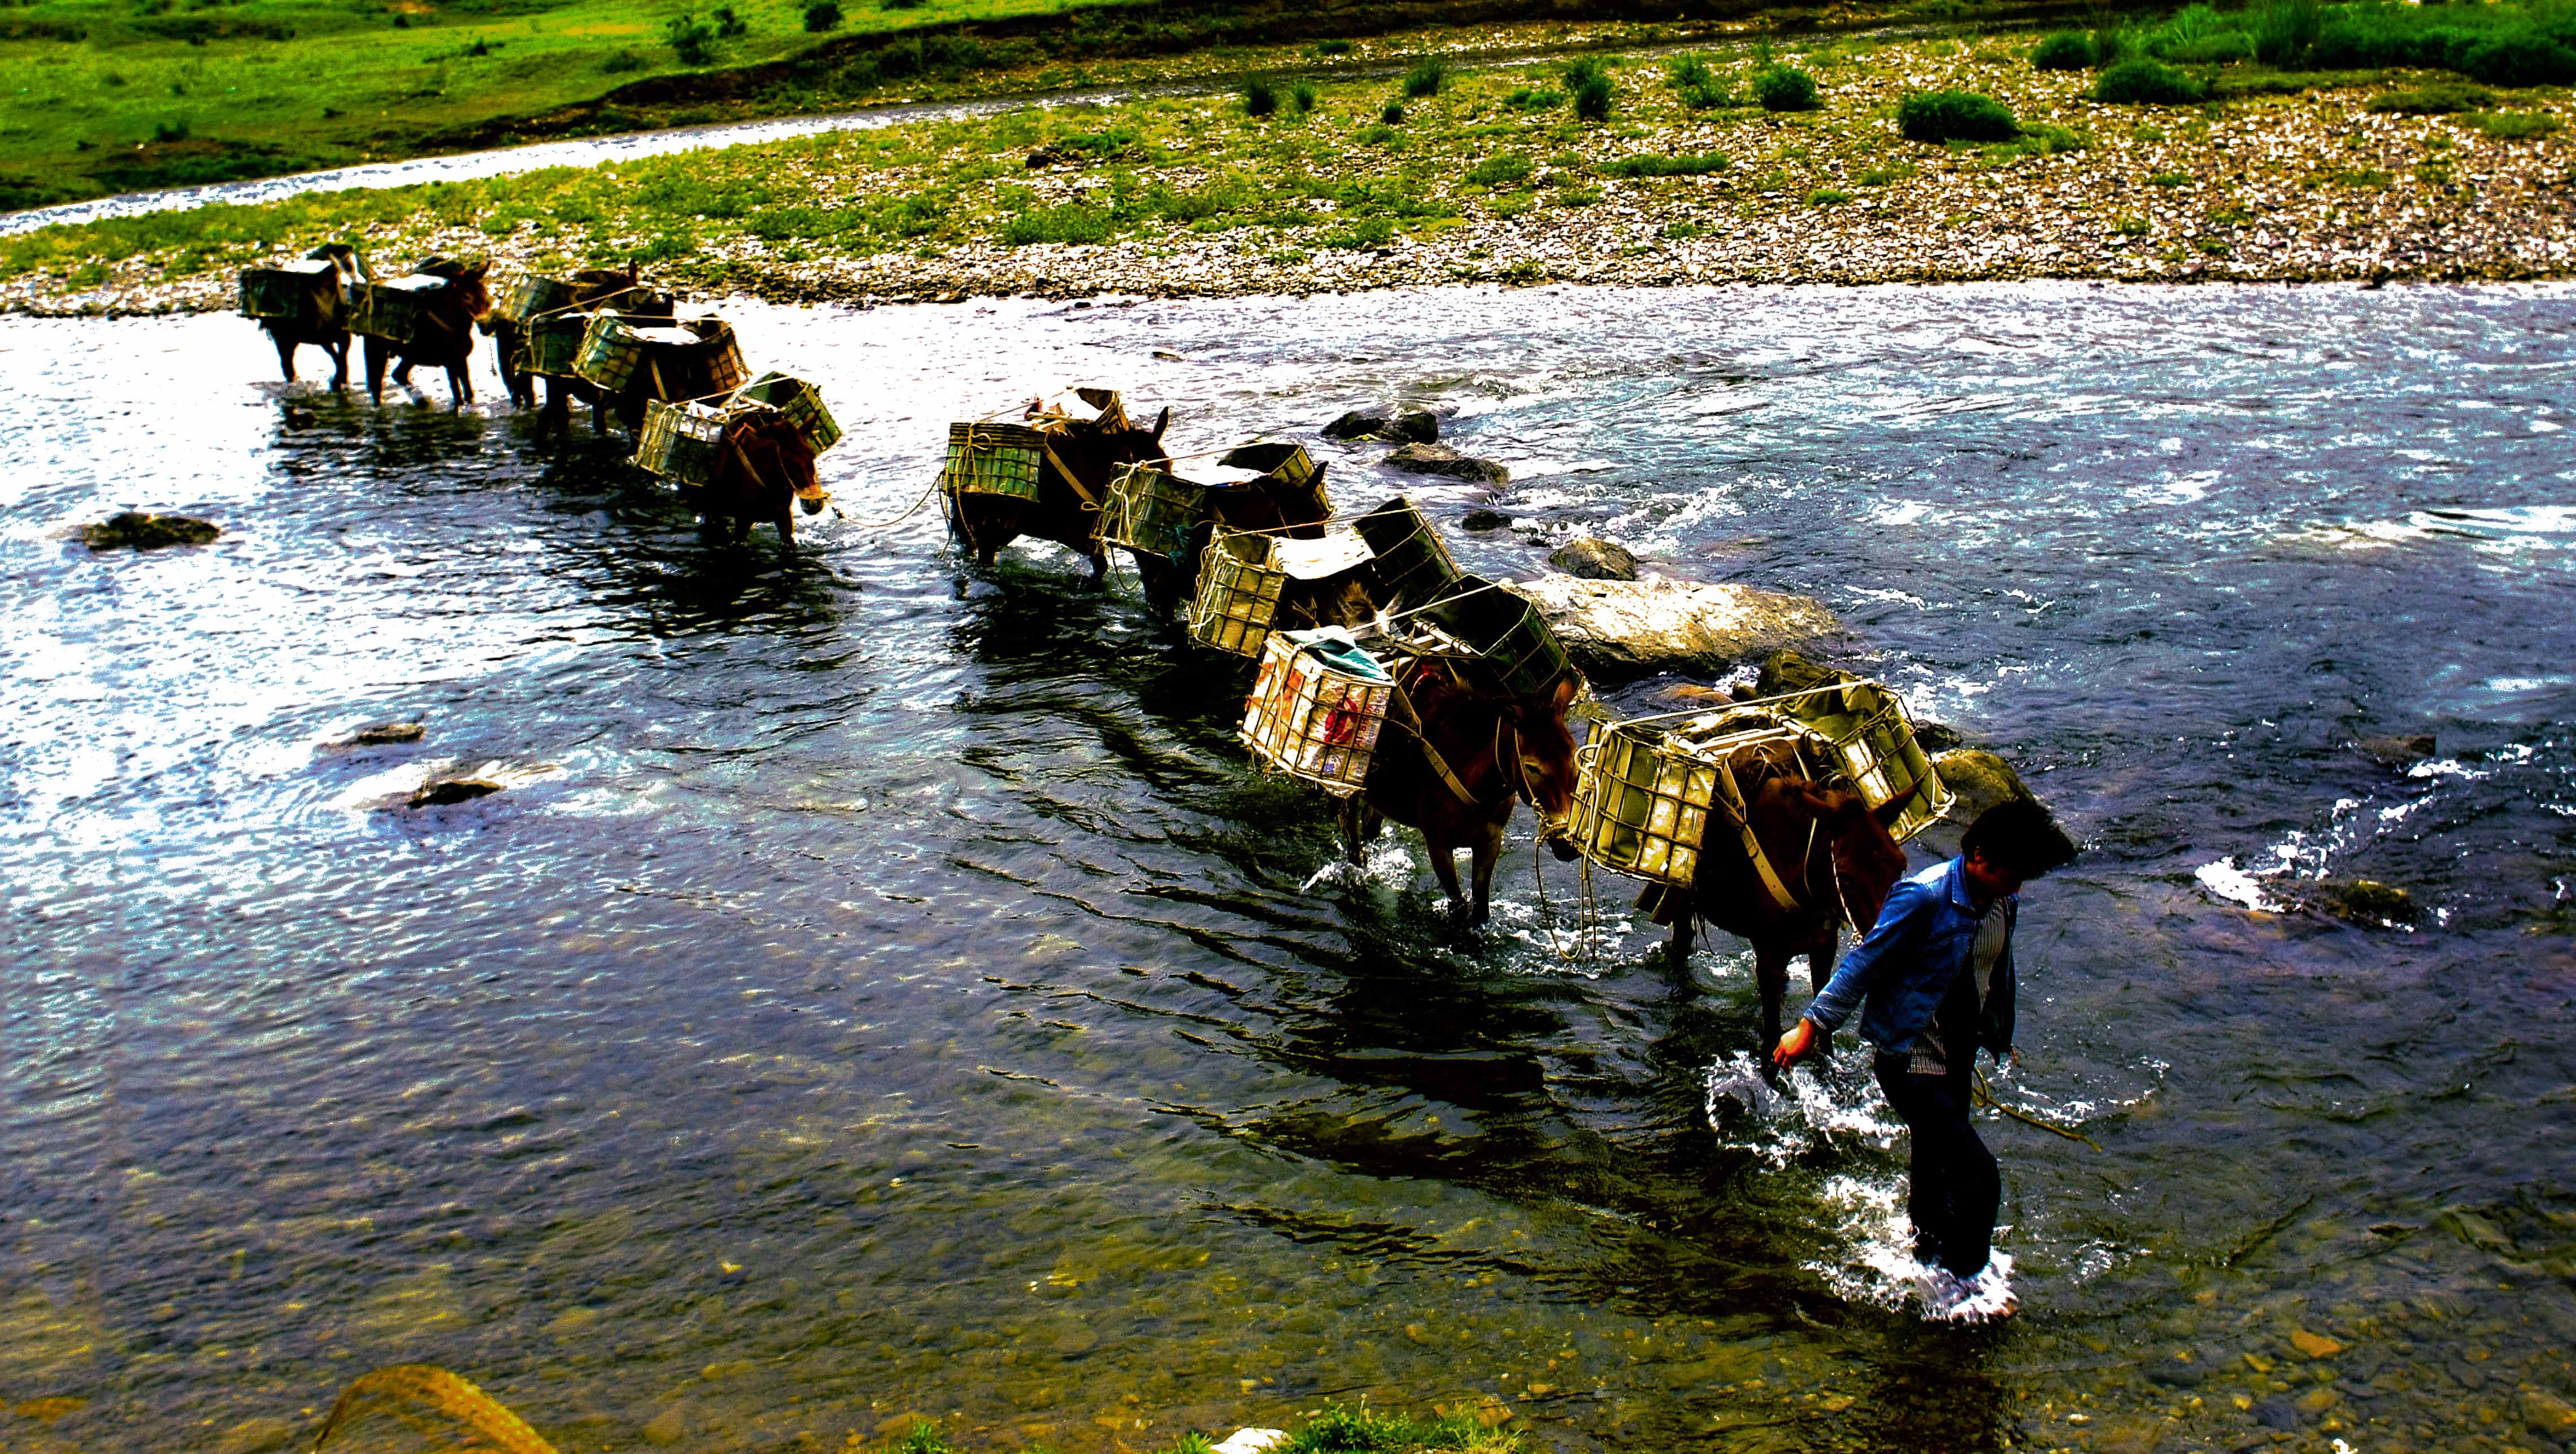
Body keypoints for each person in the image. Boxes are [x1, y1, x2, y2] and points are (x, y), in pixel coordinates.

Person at [1772, 799, 2075, 1309]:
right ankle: (1967, 1289)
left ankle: (1924, 1262)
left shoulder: (2004, 903)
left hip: (1957, 1056)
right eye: (2012, 872)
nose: (2018, 886)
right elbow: (1863, 963)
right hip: (1910, 1059)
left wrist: (1996, 1031)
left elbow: (1990, 972)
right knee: (1979, 1177)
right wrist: (1811, 1026)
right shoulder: (1924, 895)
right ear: (1978, 855)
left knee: (1935, 1167)